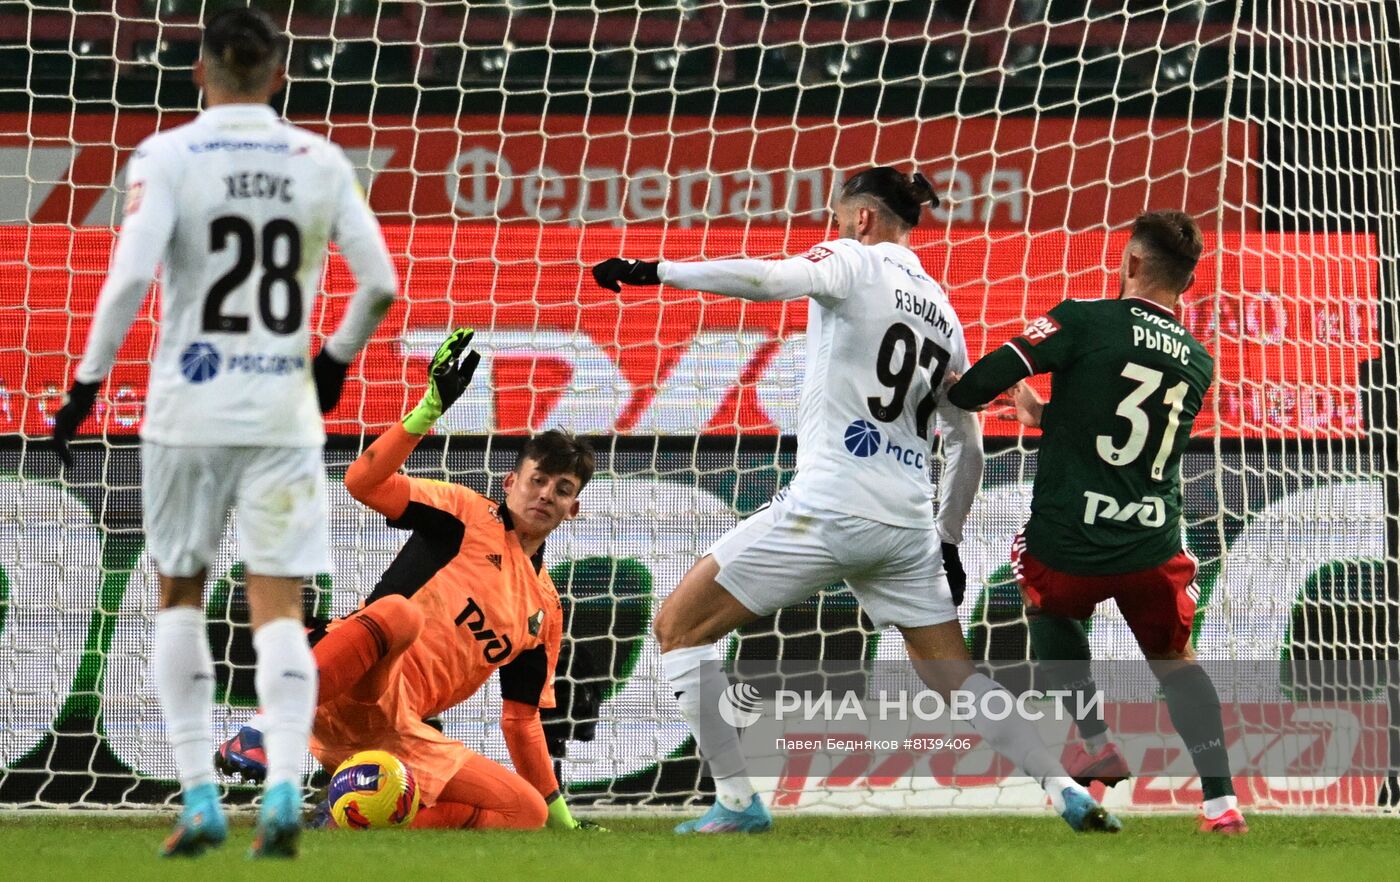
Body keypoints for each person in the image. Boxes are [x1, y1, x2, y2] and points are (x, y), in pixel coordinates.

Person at [592, 167, 1119, 834]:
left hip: (830, 505)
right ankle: (1064, 788)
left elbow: (769, 280)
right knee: (957, 679)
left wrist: (657, 270)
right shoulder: (945, 315)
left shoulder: (852, 259)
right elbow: (969, 444)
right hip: (907, 525)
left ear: (863, 219)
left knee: (677, 628)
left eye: (838, 218)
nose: (833, 229)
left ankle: (737, 801)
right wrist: (948, 540)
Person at [48, 7, 398, 858]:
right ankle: (282, 788)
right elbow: (380, 284)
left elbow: (130, 276)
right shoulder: (319, 160)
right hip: (282, 413)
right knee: (279, 606)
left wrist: (86, 386)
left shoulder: (167, 155)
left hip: (188, 413)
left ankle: (201, 798)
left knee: (180, 593)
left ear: (200, 71)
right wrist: (334, 362)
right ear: (280, 76)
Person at [216, 329, 601, 832]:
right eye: (538, 480)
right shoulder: (466, 514)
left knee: (525, 813)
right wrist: (429, 409)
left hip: (398, 733)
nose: (546, 494)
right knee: (400, 612)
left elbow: (521, 720)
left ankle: (343, 823)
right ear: (511, 483)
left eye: (563, 489)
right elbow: (362, 482)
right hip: (344, 688)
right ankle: (265, 727)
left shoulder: (544, 610)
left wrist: (566, 825)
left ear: (573, 509)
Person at [947, 209, 1245, 835]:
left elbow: (977, 385)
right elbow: (1123, 435)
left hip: (1071, 542)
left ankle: (1095, 741)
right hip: (1150, 543)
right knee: (1177, 659)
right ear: (1188, 283)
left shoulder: (1083, 318)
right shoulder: (1199, 360)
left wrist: (962, 393)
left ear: (1131, 261)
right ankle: (1221, 804)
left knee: (1041, 594)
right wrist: (1048, 417)